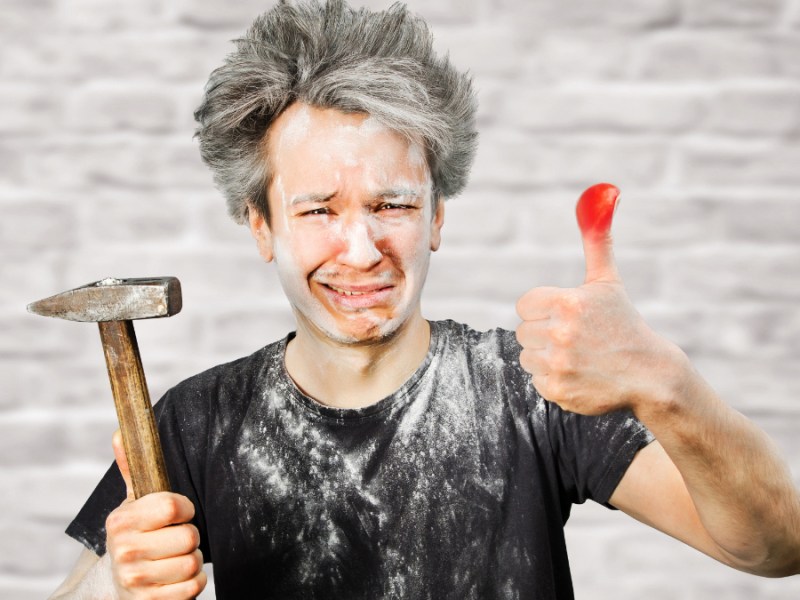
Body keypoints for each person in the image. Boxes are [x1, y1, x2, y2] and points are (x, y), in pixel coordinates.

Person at [50, 1, 800, 598]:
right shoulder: (195, 422)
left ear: (436, 216)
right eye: (317, 210)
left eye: (393, 206)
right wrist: (119, 583)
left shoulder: (533, 389)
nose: (360, 249)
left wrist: (667, 386)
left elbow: (777, 547)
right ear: (261, 225)